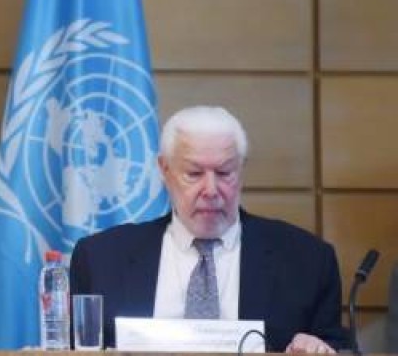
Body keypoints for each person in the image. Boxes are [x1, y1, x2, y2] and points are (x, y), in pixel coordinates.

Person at [69, 105, 347, 354]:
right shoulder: (101, 258)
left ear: (242, 170)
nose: (211, 190)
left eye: (225, 173)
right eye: (194, 174)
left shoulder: (307, 260)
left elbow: (338, 347)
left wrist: (318, 348)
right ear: (165, 170)